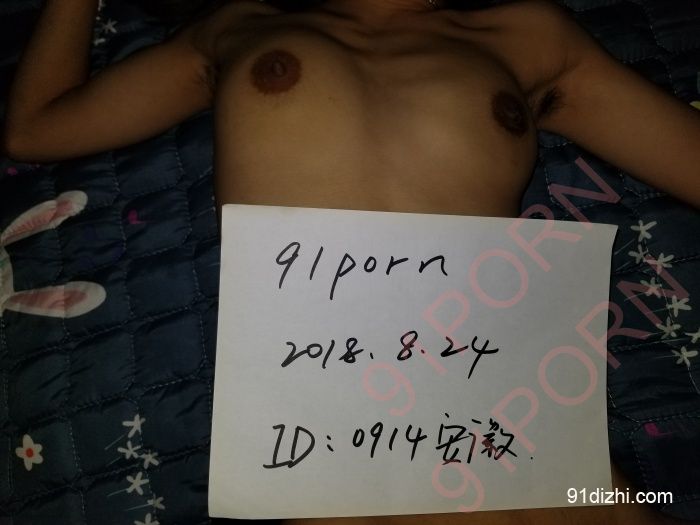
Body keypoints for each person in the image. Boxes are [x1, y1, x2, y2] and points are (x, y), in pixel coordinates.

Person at [2, 0, 698, 524]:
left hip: (520, 448)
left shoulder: (530, 34)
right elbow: (37, 127)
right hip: (325, 453)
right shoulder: (240, 24)